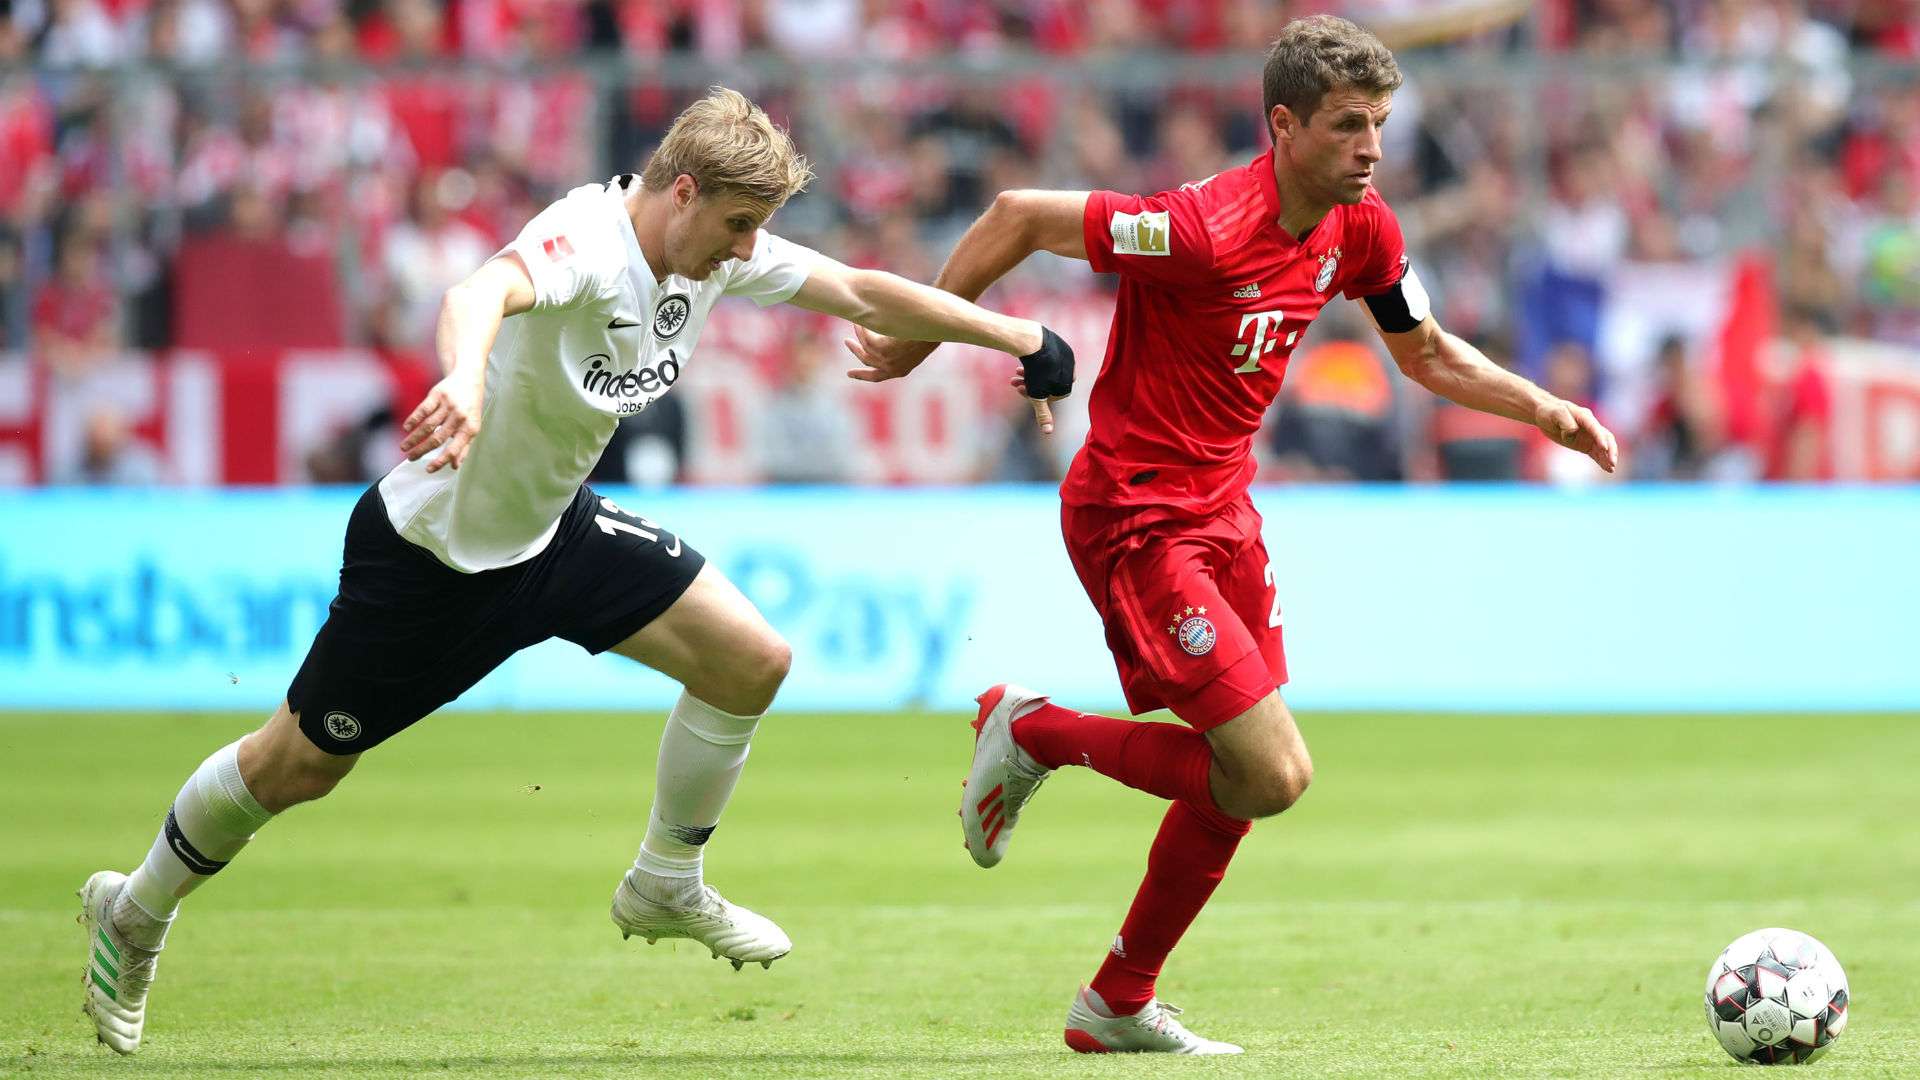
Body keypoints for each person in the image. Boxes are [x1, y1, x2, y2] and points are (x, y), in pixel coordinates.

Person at [78, 87, 1075, 1055]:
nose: (745, 248)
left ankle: (665, 881)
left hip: (556, 535)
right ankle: (136, 910)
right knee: (296, 766)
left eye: (753, 230)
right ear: (679, 190)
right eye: (734, 224)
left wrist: (1017, 334)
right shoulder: (587, 243)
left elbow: (858, 290)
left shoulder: (709, 256)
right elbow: (482, 292)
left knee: (750, 661)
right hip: (433, 559)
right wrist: (465, 377)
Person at [847, 15, 1617, 1054]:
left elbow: (1425, 351)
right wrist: (923, 331)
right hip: (1137, 514)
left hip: (1225, 516)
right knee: (1272, 773)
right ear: (1285, 125)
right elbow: (1019, 214)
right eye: (1350, 126)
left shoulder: (1362, 227)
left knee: (1244, 777)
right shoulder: (1202, 227)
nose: (1373, 148)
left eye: (1380, 124)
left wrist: (1543, 410)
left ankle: (1117, 1001)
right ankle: (1032, 734)